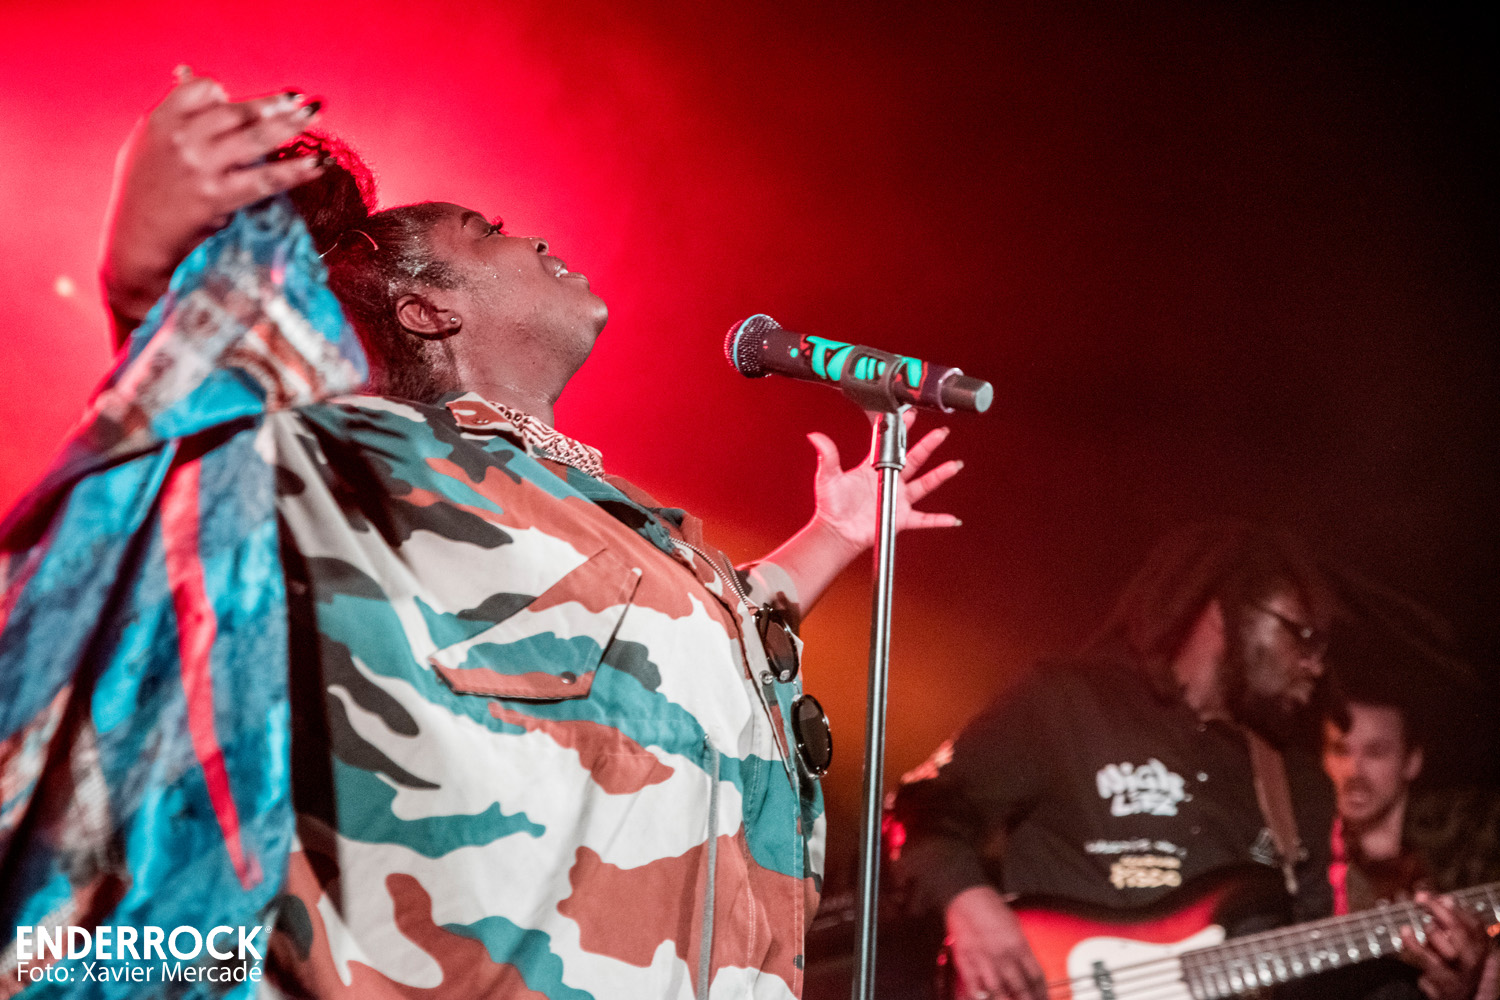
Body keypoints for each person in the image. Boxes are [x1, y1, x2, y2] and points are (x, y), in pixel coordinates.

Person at [0, 71, 962, 999]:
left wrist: (835, 532)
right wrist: (148, 291)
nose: (531, 235)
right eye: (486, 231)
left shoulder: (589, 510)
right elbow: (207, 484)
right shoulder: (375, 456)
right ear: (428, 310)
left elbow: (693, 640)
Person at [889, 522, 1494, 1000]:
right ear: (1227, 614)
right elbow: (917, 810)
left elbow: (1313, 978)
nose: (1316, 665)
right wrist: (969, 904)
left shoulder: (1298, 783)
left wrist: (1440, 987)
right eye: (1302, 637)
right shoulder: (1068, 703)